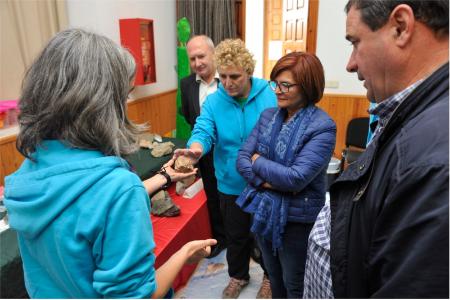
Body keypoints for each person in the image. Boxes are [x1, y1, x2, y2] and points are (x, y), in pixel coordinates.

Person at [3, 28, 216, 299]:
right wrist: (182, 253)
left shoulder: (28, 171)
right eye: (124, 96)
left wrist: (164, 176)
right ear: (102, 103)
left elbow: (89, 200)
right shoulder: (118, 190)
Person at [329, 0, 448, 298]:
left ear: (401, 27)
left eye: (356, 42)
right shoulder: (415, 116)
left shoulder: (434, 160)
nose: (351, 63)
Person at [175, 38, 276, 299]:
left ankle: (269, 277)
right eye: (223, 76)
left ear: (249, 72)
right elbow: (203, 129)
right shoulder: (214, 101)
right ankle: (238, 275)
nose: (228, 83)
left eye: (235, 76)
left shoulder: (268, 94)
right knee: (236, 236)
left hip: (265, 182)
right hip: (230, 183)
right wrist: (196, 148)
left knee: (265, 235)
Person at [235, 52, 336, 298]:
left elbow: (295, 179)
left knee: (295, 283)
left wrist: (258, 161)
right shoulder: (268, 116)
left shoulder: (323, 126)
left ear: (308, 86)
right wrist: (268, 181)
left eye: (286, 85)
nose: (277, 90)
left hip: (297, 222)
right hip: (265, 212)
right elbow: (242, 160)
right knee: (273, 275)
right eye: (275, 83)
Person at [180, 35, 227, 258]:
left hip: (230, 154)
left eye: (201, 56)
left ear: (213, 54)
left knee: (237, 200)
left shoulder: (230, 79)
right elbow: (191, 118)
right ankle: (220, 239)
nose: (197, 63)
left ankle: (246, 242)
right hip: (205, 155)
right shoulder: (186, 84)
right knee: (212, 197)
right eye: (192, 59)